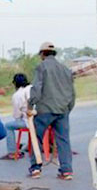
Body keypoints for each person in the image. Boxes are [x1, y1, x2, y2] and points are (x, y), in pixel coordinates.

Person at [28, 41, 75, 180]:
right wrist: (68, 108)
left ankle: (36, 168)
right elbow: (72, 93)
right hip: (63, 109)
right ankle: (66, 170)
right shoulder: (65, 69)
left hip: (45, 109)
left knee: (36, 138)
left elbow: (36, 88)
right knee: (63, 140)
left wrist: (31, 105)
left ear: (42, 54)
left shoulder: (41, 67)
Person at [5, 73, 32, 158]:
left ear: (15, 83)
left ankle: (12, 152)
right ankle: (28, 146)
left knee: (8, 126)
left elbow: (17, 115)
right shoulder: (32, 88)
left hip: (29, 121)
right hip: (43, 119)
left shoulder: (17, 95)